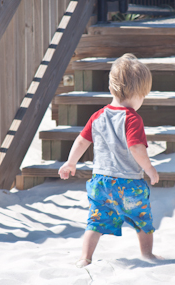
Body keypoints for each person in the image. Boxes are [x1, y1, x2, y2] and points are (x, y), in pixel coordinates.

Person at [58, 53, 161, 268]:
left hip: (101, 183)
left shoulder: (98, 116)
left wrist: (71, 162)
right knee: (143, 220)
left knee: (94, 222)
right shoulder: (132, 118)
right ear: (138, 93)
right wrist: (149, 168)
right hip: (128, 184)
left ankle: (85, 258)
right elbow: (136, 147)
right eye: (144, 95)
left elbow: (82, 140)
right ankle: (148, 255)